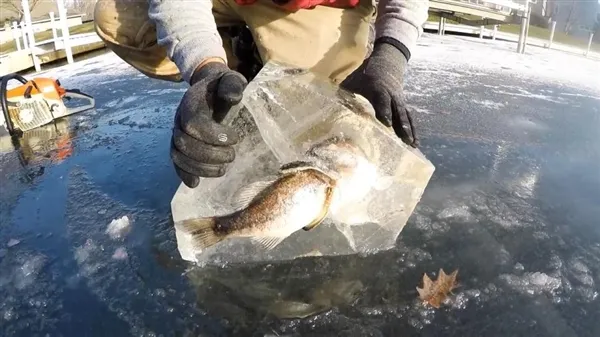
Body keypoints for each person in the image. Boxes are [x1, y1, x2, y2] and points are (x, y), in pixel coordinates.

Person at [94, 0, 429, 188]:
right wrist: (206, 70)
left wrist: (388, 58)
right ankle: (238, 65)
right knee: (115, 17)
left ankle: (268, 60)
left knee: (313, 117)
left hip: (320, 7)